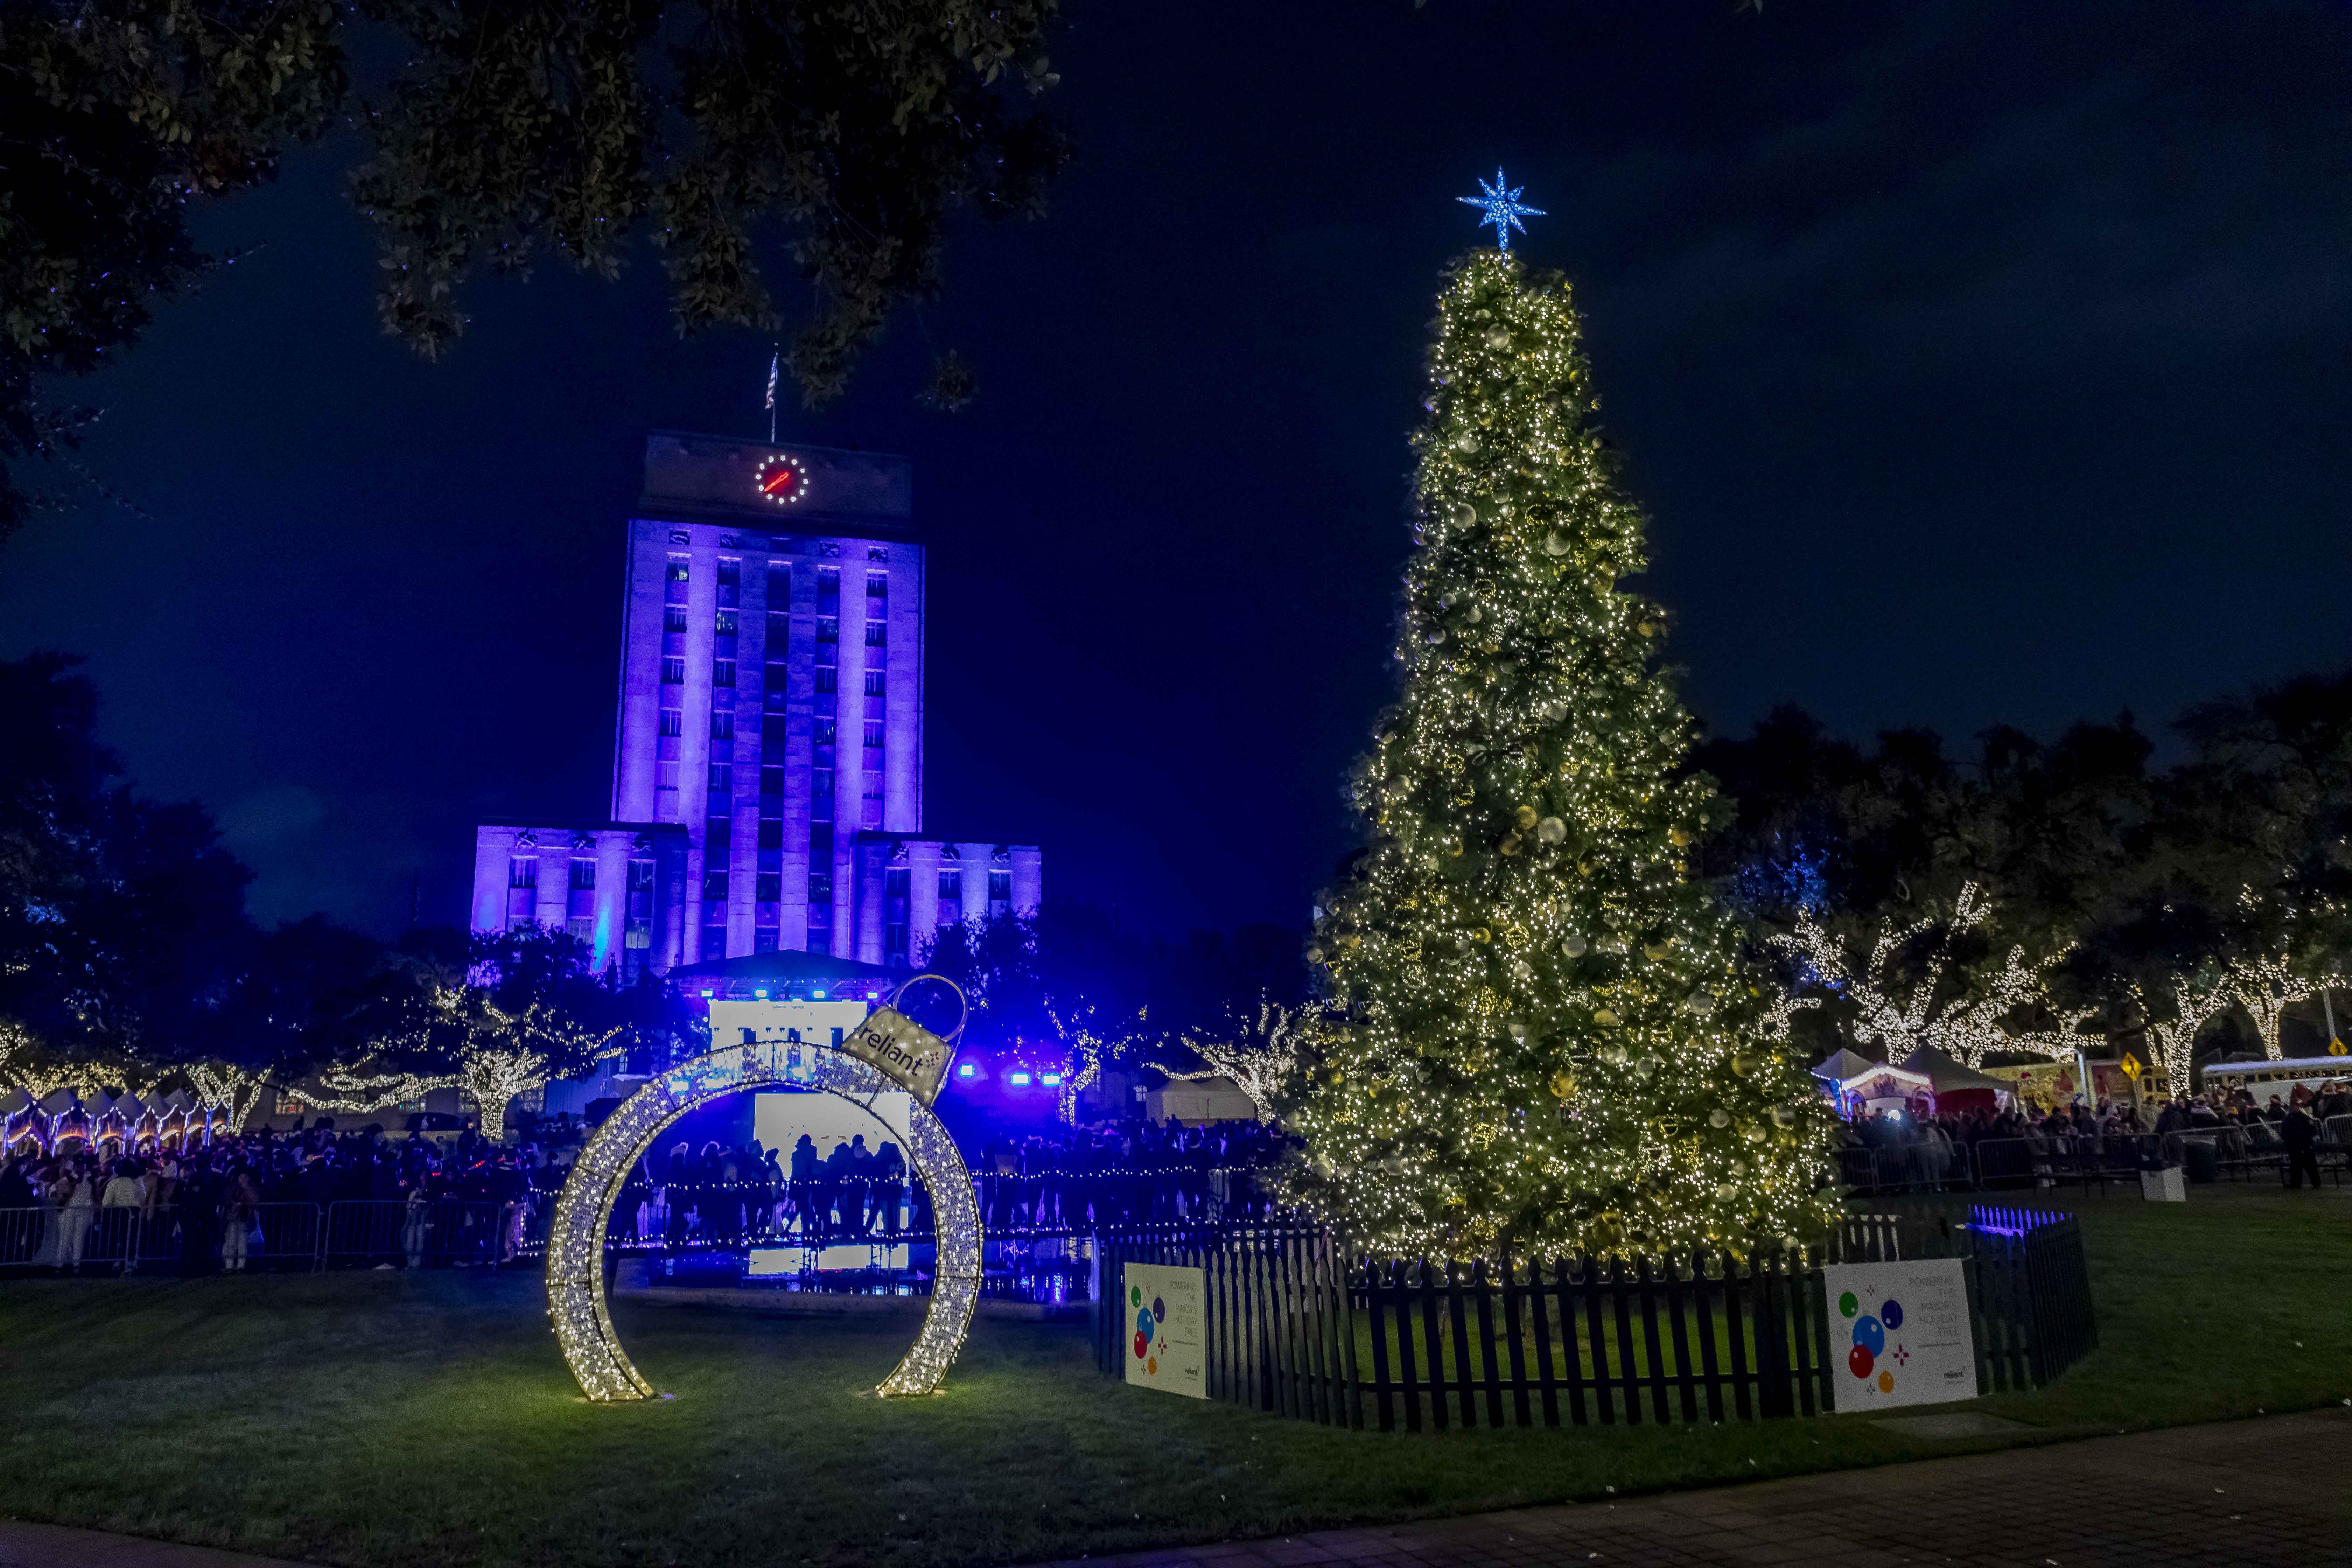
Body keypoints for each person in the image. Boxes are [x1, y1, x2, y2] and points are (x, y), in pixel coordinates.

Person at [221, 1166, 261, 1272]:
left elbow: (255, 1200)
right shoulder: (232, 1188)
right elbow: (227, 1200)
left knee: (243, 1243)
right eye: (241, 1177)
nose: (243, 1180)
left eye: (245, 1177)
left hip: (245, 1219)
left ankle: (241, 1266)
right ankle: (229, 1266)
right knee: (231, 1242)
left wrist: (247, 1189)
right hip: (233, 1219)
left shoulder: (251, 1188)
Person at [2280, 1102, 2323, 1190]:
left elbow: (2284, 1133)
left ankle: (2296, 1183)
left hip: (2294, 1145)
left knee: (2296, 1165)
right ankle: (2316, 1182)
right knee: (2311, 1165)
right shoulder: (2306, 1118)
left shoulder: (2288, 1119)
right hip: (2306, 1144)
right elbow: (2313, 1131)